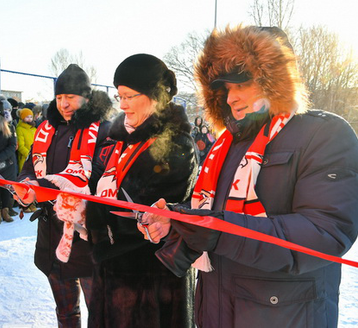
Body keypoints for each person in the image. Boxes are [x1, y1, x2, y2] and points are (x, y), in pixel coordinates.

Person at [144, 26, 358, 328]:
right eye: (225, 89)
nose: (231, 98)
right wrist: (178, 222)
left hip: (283, 316)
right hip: (218, 310)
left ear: (276, 80)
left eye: (241, 84)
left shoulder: (324, 134)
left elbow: (325, 232)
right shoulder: (226, 145)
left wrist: (221, 231)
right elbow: (217, 218)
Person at [84, 54, 198, 328]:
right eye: (118, 96)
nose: (122, 105)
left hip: (150, 278)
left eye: (129, 96)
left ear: (155, 96)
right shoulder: (115, 140)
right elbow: (94, 185)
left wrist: (103, 218)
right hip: (111, 269)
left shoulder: (177, 144)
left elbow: (154, 208)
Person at [17, 64, 114, 328]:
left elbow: (103, 177)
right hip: (51, 231)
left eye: (70, 97)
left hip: (87, 233)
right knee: (65, 310)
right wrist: (25, 189)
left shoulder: (104, 130)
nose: (64, 104)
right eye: (60, 98)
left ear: (86, 96)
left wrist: (54, 186)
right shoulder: (47, 130)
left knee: (99, 309)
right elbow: (28, 169)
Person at [0, 101, 18, 224]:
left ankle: (6, 211)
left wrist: (0, 158)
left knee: (7, 188)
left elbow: (12, 146)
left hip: (8, 162)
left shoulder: (10, 127)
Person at [16, 107, 36, 172]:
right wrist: (29, 155)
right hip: (25, 159)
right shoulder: (20, 129)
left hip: (35, 158)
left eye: (31, 117)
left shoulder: (34, 129)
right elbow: (21, 146)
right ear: (22, 118)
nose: (29, 119)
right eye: (27, 117)